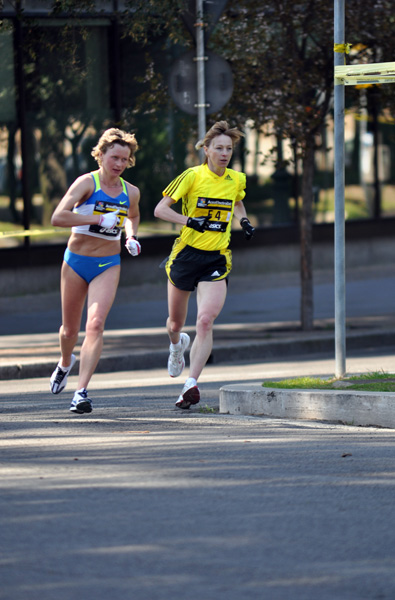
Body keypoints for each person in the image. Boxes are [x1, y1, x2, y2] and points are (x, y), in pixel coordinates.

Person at [154, 120, 255, 409]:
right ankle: (176, 347)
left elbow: (237, 202)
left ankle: (191, 383)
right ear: (206, 150)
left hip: (217, 257)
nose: (224, 153)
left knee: (205, 320)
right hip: (186, 255)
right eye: (219, 148)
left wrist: (244, 221)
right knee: (175, 323)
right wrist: (189, 221)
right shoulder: (192, 176)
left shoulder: (236, 179)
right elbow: (160, 210)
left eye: (229, 149)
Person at [50, 127, 141, 414]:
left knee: (96, 324)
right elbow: (58, 217)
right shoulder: (86, 183)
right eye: (114, 157)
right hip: (76, 261)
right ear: (100, 155)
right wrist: (96, 218)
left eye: (124, 160)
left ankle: (81, 392)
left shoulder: (131, 192)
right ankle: (66, 362)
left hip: (108, 264)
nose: (119, 164)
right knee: (69, 331)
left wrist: (131, 237)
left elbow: (133, 215)